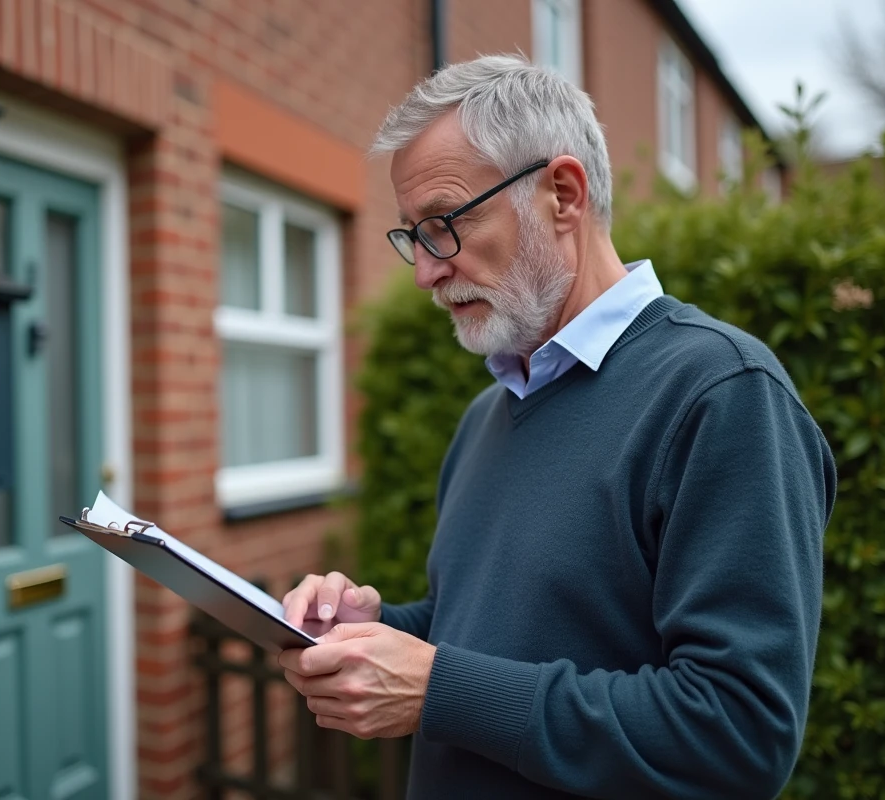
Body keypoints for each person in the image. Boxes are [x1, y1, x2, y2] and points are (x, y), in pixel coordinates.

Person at [277, 55, 837, 799]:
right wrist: (382, 627)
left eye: (444, 223)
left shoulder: (721, 394)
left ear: (562, 195)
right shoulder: (489, 412)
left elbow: (738, 732)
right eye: (413, 235)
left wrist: (438, 688)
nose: (425, 271)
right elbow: (487, 630)